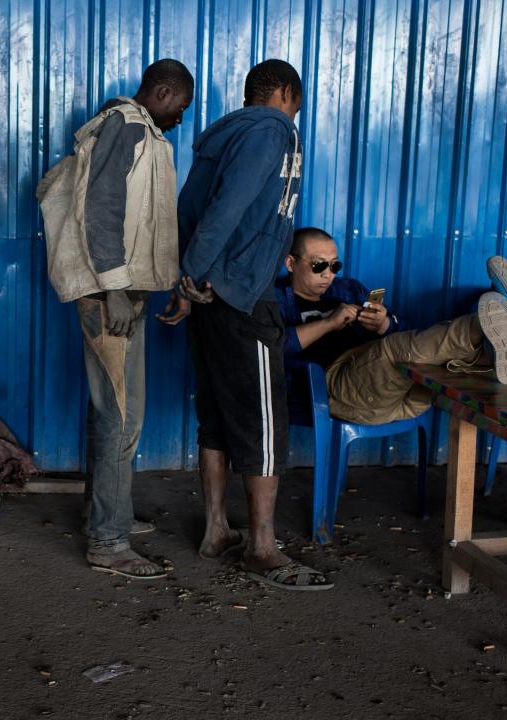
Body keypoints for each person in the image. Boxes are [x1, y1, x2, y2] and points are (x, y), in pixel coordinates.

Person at [160, 59, 332, 590]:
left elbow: (189, 208)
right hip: (239, 296)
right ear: (284, 92)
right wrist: (198, 276)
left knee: (216, 416)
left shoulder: (225, 136)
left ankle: (216, 530)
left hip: (212, 294)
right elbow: (227, 208)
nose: (297, 111)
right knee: (262, 421)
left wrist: (190, 282)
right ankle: (261, 547)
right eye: (296, 100)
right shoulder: (272, 130)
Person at [37, 59, 195, 579]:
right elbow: (100, 209)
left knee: (112, 407)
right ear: (164, 91)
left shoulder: (137, 128)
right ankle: (108, 540)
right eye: (181, 107)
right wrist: (116, 290)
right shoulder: (125, 125)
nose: (180, 119)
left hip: (126, 292)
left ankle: (103, 512)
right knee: (120, 417)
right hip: (112, 297)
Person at [276, 226, 507, 424]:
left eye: (334, 265)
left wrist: (384, 323)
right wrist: (329, 323)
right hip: (341, 392)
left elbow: (412, 334)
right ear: (291, 264)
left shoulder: (349, 288)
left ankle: (492, 344)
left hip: (404, 395)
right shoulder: (275, 300)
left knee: (446, 368)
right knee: (395, 349)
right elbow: (271, 349)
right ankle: (486, 325)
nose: (328, 274)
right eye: (318, 265)